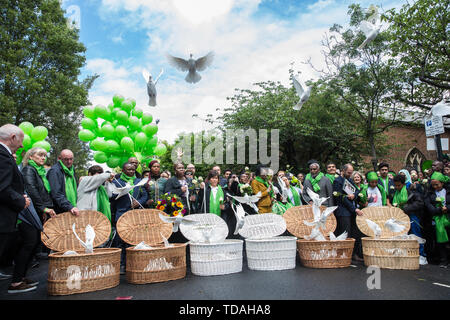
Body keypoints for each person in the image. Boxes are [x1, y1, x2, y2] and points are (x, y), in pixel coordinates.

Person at [0, 124, 36, 293]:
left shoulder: (7, 156)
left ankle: (17, 280)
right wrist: (21, 201)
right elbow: (2, 188)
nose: (22, 145)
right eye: (21, 140)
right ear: (13, 137)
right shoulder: (2, 156)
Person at [112, 162, 148, 274]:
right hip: (121, 213)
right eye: (128, 170)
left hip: (135, 214)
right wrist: (121, 193)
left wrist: (139, 202)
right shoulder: (116, 182)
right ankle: (121, 264)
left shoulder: (139, 182)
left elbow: (145, 195)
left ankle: (133, 263)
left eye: (133, 170)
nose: (131, 172)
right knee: (121, 239)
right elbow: (111, 196)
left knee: (134, 239)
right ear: (122, 170)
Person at [392, 174, 427, 265]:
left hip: (412, 216)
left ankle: (421, 255)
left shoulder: (412, 191)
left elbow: (420, 203)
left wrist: (406, 209)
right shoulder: (395, 193)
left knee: (416, 235)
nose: (397, 187)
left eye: (399, 185)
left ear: (403, 184)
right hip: (401, 218)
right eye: (395, 185)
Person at [333, 164, 364, 262]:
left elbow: (357, 190)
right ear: (343, 170)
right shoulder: (337, 181)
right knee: (345, 234)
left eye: (351, 173)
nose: (350, 174)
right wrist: (353, 208)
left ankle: (353, 254)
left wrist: (353, 196)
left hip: (351, 211)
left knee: (355, 233)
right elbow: (340, 198)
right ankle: (343, 255)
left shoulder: (349, 180)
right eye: (349, 173)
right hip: (343, 211)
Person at [21, 147, 55, 223]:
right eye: (40, 155)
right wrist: (43, 208)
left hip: (43, 208)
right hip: (36, 210)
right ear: (31, 156)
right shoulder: (29, 169)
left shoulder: (40, 171)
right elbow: (31, 190)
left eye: (44, 156)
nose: (43, 158)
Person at [424, 172, 450, 267]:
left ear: (442, 183)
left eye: (437, 184)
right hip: (436, 219)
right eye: (433, 185)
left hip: (447, 218)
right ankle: (443, 259)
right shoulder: (430, 193)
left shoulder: (447, 191)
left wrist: (447, 208)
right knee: (440, 241)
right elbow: (428, 205)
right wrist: (438, 210)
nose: (435, 187)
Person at [47, 149, 79, 216]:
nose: (69, 162)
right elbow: (56, 193)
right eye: (66, 159)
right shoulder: (54, 171)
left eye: (71, 159)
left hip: (71, 208)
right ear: (59, 158)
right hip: (60, 210)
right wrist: (69, 206)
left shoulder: (72, 170)